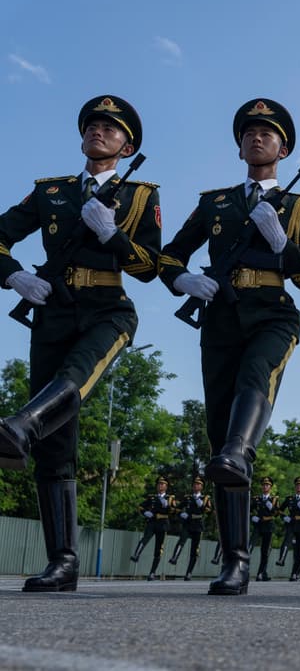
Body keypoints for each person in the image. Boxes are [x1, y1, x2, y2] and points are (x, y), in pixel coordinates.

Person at [159, 99, 300, 596]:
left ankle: (238, 451)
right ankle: (234, 560)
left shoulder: (299, 206)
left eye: (268, 133)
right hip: (221, 316)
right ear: (239, 147)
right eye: (250, 133)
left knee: (254, 387)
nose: (257, 138)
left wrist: (282, 243)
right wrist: (184, 278)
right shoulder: (216, 203)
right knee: (217, 433)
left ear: (284, 148)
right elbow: (170, 253)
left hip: (274, 313)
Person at [0, 96, 160, 593]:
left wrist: (111, 235)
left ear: (126, 145)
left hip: (108, 310)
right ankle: (63, 561)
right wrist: (15, 276)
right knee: (55, 442)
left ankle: (19, 424)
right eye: (93, 125)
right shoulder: (50, 191)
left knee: (76, 377)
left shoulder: (139, 196)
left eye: (111, 129)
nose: (99, 132)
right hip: (52, 309)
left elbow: (151, 266)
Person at [130, 476, 177, 581]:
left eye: (162, 484)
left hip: (163, 524)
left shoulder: (170, 498)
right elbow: (141, 506)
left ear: (166, 486)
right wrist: (145, 513)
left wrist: (168, 507)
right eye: (159, 484)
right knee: (144, 539)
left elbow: (174, 511)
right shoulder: (152, 497)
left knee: (158, 549)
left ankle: (152, 573)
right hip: (152, 522)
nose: (160, 486)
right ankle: (136, 555)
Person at [169, 476, 211, 581]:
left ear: (202, 487)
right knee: (181, 541)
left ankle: (189, 573)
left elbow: (208, 510)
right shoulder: (187, 497)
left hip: (198, 525)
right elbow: (177, 509)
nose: (196, 486)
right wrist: (181, 514)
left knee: (194, 550)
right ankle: (174, 558)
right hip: (187, 524)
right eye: (194, 484)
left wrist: (200, 502)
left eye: (198, 484)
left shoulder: (205, 498)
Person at [277, 476, 300, 581]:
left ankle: (295, 573)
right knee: (286, 541)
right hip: (291, 524)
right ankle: (281, 559)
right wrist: (285, 517)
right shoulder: (289, 499)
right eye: (297, 485)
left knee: (299, 551)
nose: (298, 486)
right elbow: (280, 510)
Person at [250, 476, 278, 582]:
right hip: (258, 526)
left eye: (267, 485)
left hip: (268, 527)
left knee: (265, 551)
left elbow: (277, 513)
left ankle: (261, 573)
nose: (265, 486)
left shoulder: (274, 499)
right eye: (264, 485)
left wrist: (272, 507)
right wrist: (252, 517)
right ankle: (243, 569)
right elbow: (249, 509)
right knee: (250, 546)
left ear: (270, 487)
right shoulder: (256, 499)